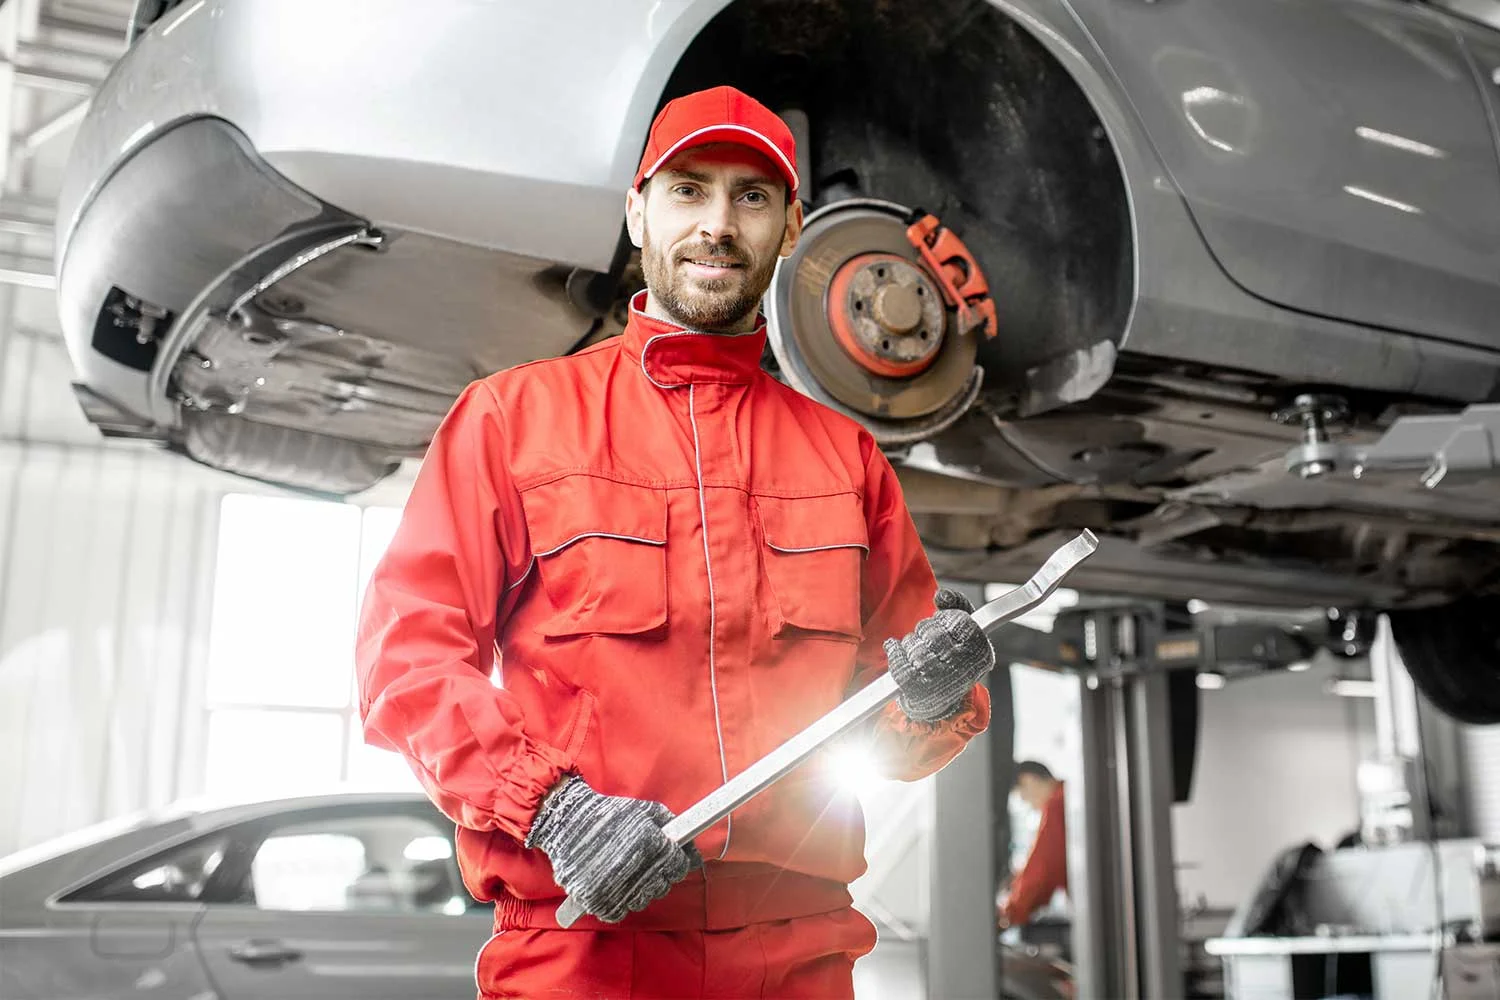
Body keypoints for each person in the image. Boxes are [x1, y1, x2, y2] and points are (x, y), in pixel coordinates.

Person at [355, 85, 996, 1000]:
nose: (718, 225)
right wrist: (552, 811)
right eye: (688, 190)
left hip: (800, 956)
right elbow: (406, 662)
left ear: (791, 227)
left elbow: (887, 730)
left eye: (752, 197)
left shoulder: (847, 460)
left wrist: (931, 702)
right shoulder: (512, 421)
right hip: (584, 952)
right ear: (637, 212)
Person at [999, 760, 1068, 929]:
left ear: (1028, 779)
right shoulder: (1069, 795)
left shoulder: (1057, 804)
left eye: (1022, 795)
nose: (1026, 802)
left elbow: (1042, 868)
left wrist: (1010, 912)